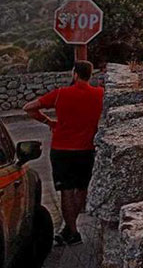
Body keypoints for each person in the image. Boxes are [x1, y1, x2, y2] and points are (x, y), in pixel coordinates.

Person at [23, 60, 103, 246]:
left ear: (74, 74)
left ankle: (73, 231)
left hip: (62, 150)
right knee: (81, 188)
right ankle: (70, 228)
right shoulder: (100, 94)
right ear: (90, 75)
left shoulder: (60, 94)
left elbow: (29, 108)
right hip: (87, 149)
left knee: (66, 190)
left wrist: (49, 122)